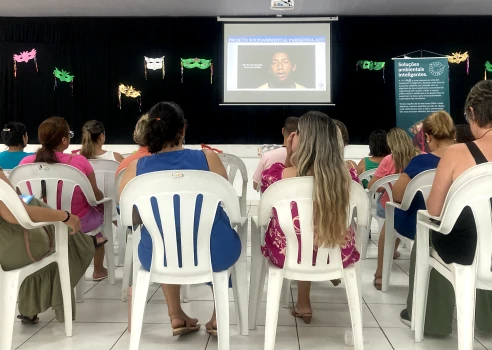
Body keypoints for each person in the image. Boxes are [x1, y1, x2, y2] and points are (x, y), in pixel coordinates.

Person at [118, 102, 241, 337]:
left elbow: (128, 217)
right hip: (215, 250)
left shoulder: (136, 168)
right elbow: (226, 200)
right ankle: (217, 318)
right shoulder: (207, 159)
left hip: (158, 254)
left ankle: (175, 314)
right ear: (183, 129)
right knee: (219, 230)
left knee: (162, 233)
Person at [399, 80, 492, 335]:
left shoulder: (457, 154)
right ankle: (489, 318)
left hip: (467, 250)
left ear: (473, 113)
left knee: (430, 233)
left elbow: (434, 211)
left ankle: (430, 320)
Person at [260, 111, 359, 323]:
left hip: (289, 254)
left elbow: (268, 207)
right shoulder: (349, 175)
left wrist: (289, 153)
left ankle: (303, 303)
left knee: (297, 232)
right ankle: (327, 274)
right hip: (338, 250)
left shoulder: (277, 176)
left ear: (300, 140)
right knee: (313, 228)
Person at [372, 111, 455, 291]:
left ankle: (380, 274)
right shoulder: (465, 158)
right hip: (455, 226)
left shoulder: (421, 161)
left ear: (428, 137)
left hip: (420, 225)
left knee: (390, 216)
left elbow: (398, 195)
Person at [0, 168, 95, 324]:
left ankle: (30, 309)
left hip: (7, 248)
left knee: (46, 219)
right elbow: (17, 213)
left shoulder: (25, 164)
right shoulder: (78, 163)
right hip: (8, 251)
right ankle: (86, 243)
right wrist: (64, 215)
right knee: (60, 240)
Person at [20, 117, 109, 281]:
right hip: (78, 221)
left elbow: (22, 197)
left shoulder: (25, 163)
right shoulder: (79, 162)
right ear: (64, 140)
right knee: (99, 211)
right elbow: (94, 197)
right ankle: (98, 268)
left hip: (40, 223)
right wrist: (102, 198)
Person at [368, 127, 420, 289]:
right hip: (416, 208)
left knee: (390, 209)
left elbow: (373, 187)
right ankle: (394, 249)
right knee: (398, 211)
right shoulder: (420, 157)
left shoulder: (389, 160)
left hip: (391, 206)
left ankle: (380, 273)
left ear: (390, 143)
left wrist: (387, 185)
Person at [252, 116, 298, 190]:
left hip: (271, 199)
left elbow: (255, 185)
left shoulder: (267, 156)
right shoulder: (305, 158)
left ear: (283, 130)